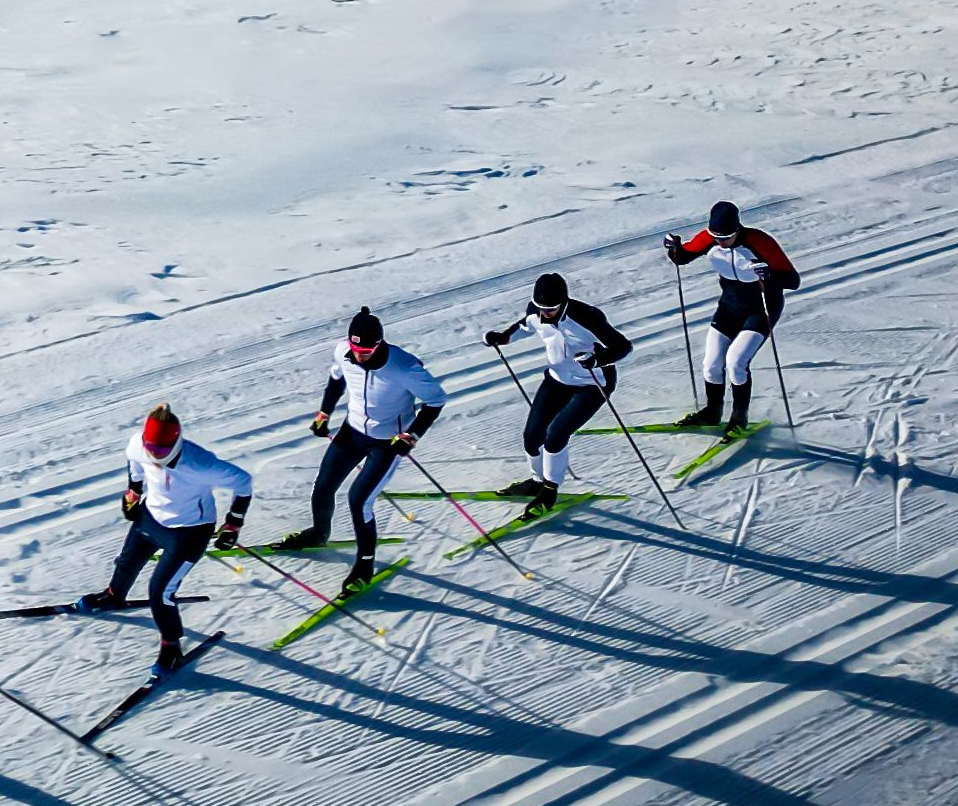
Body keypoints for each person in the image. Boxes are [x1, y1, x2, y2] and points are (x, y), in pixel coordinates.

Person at [274, 309, 444, 588]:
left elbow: (436, 400)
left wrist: (411, 435)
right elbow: (337, 379)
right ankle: (319, 533)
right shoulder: (343, 352)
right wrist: (324, 414)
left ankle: (364, 565)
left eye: (367, 350)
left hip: (387, 441)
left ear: (379, 344)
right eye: (356, 348)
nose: (360, 355)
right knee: (323, 485)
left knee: (358, 500)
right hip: (352, 431)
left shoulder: (403, 366)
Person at [79, 404, 250, 669]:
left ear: (177, 441)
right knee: (125, 562)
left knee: (160, 593)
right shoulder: (139, 445)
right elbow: (134, 459)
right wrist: (133, 492)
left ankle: (171, 647)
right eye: (150, 447)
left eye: (161, 450)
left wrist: (233, 523)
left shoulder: (200, 463)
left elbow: (243, 482)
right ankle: (114, 595)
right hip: (151, 516)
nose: (154, 454)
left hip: (189, 532)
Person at [485, 273, 633, 508]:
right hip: (556, 381)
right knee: (532, 436)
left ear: (563, 302)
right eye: (541, 307)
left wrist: (597, 359)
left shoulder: (587, 317)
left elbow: (623, 346)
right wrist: (502, 338)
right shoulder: (536, 312)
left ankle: (549, 491)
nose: (545, 313)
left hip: (592, 385)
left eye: (551, 308)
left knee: (555, 436)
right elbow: (525, 326)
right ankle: (536, 481)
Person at [664, 200, 800, 430]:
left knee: (736, 362)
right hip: (730, 307)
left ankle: (739, 418)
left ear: (738, 229)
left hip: (762, 308)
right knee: (711, 365)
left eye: (726, 237)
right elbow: (682, 257)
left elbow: (793, 281)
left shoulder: (759, 241)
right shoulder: (709, 238)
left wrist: (769, 275)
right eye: (716, 236)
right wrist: (673, 247)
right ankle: (712, 412)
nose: (720, 242)